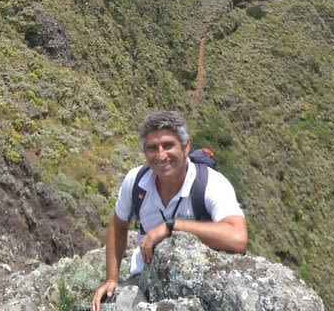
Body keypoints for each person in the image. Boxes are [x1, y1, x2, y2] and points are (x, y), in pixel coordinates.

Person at [91, 110, 248, 311]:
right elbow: (118, 224)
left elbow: (238, 238)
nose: (161, 155)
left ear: (186, 146)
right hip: (143, 281)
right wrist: (111, 278)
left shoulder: (210, 184)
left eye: (168, 145)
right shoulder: (137, 181)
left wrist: (173, 226)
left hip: (201, 288)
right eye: (152, 148)